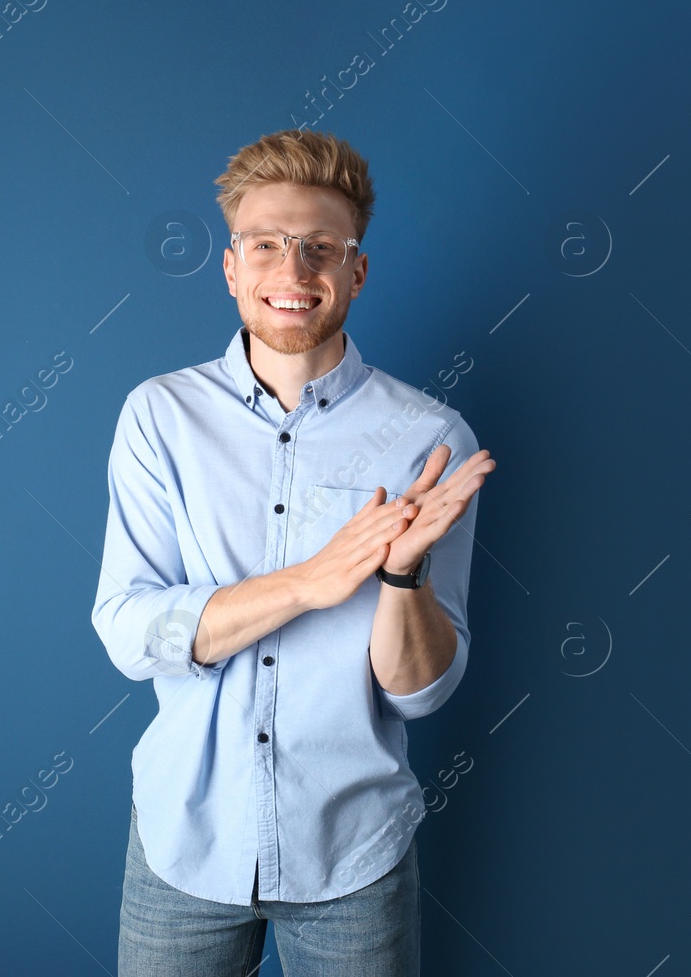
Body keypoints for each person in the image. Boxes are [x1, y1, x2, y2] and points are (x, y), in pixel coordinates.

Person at [92, 128, 495, 975]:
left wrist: (400, 574)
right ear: (232, 267)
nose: (293, 269)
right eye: (267, 244)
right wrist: (310, 581)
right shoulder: (159, 418)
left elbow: (424, 694)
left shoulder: (429, 441)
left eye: (321, 248)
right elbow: (130, 633)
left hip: (354, 852)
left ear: (356, 271)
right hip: (184, 842)